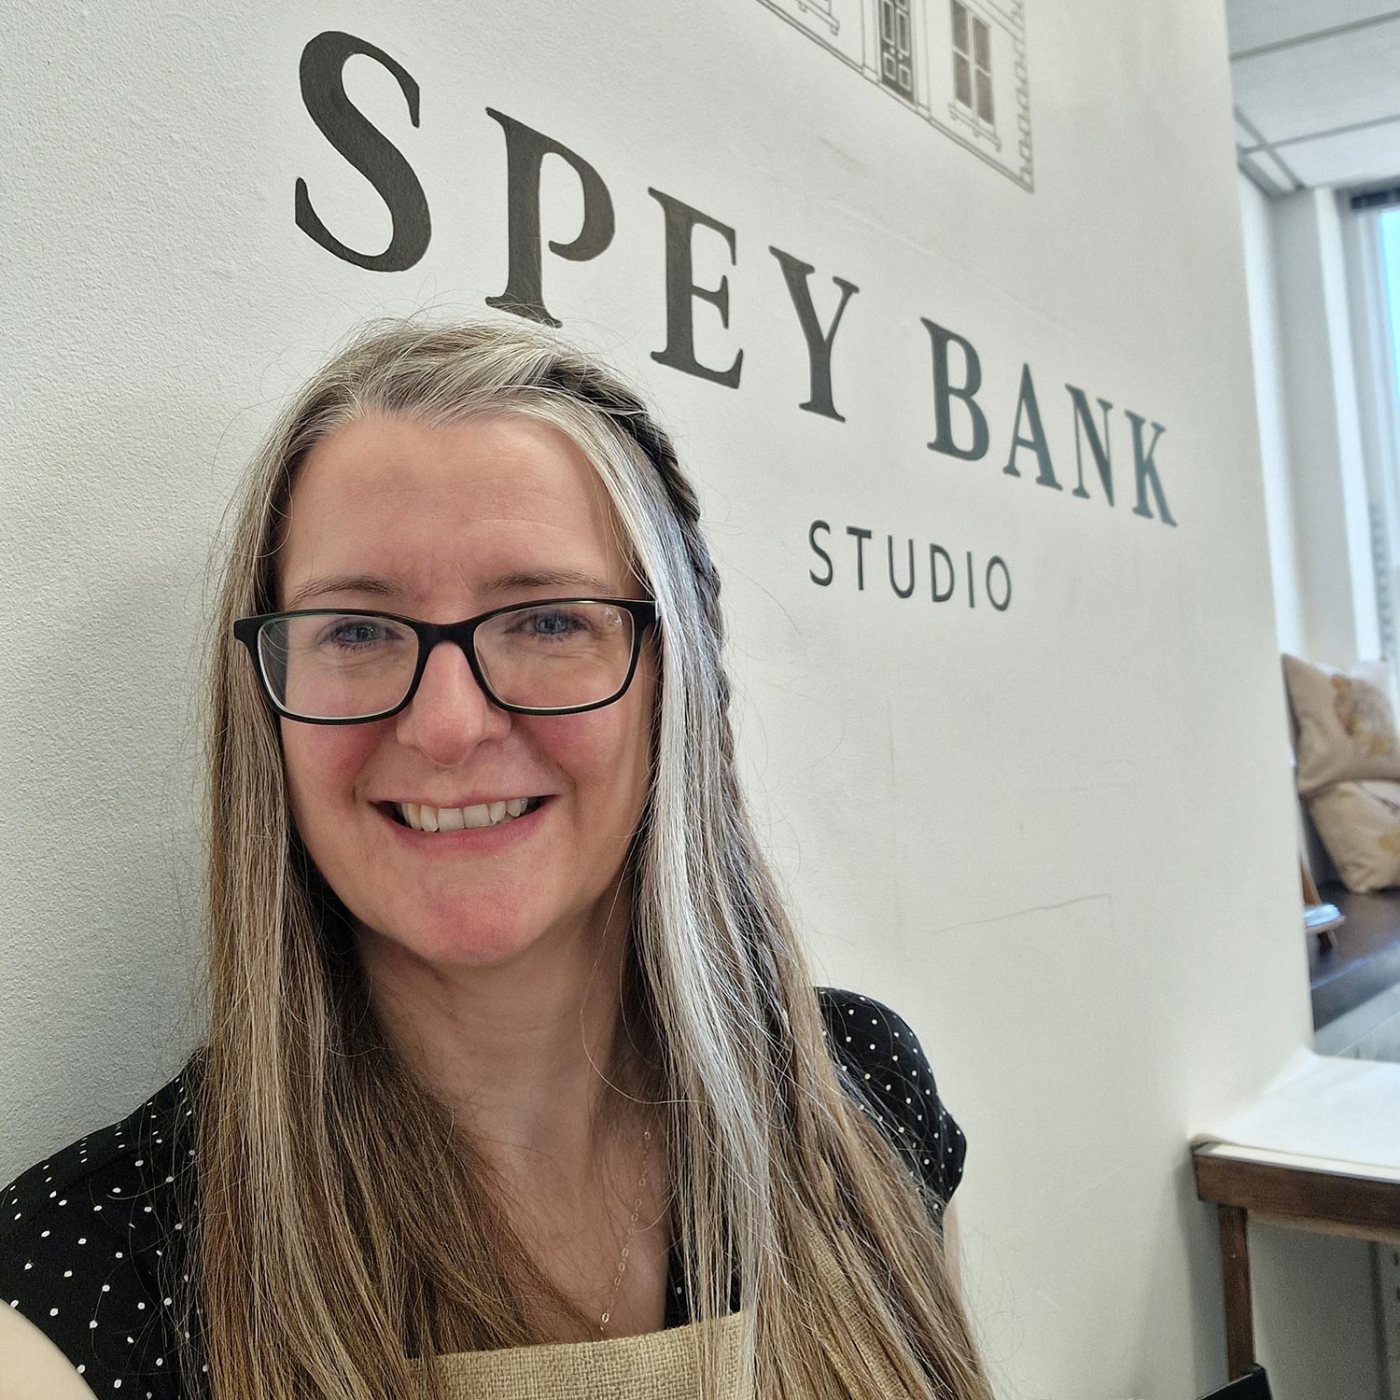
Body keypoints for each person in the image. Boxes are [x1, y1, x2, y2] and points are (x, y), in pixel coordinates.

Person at [0, 320, 992, 1399]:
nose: (446, 723)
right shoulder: (89, 1285)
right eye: (355, 629)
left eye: (547, 618)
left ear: (675, 683)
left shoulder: (863, 1103)